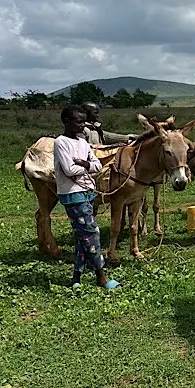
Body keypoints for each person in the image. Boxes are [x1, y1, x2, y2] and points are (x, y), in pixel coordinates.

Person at [54, 104, 120, 290]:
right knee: (92, 233)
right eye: (79, 121)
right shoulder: (61, 142)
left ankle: (76, 278)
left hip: (88, 191)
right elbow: (69, 170)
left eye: (84, 122)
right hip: (73, 194)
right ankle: (101, 276)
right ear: (66, 122)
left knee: (81, 236)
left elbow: (98, 165)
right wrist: (88, 166)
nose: (83, 125)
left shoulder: (83, 143)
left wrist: (83, 163)